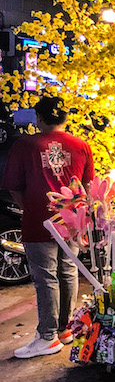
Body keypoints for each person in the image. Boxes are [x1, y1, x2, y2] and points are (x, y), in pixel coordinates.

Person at [2, 96, 95, 358]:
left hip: (39, 219)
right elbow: (87, 187)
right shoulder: (81, 145)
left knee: (45, 278)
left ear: (39, 118)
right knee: (67, 272)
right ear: (65, 118)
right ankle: (64, 330)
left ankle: (47, 336)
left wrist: (30, 208)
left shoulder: (25, 145)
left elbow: (13, 187)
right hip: (72, 220)